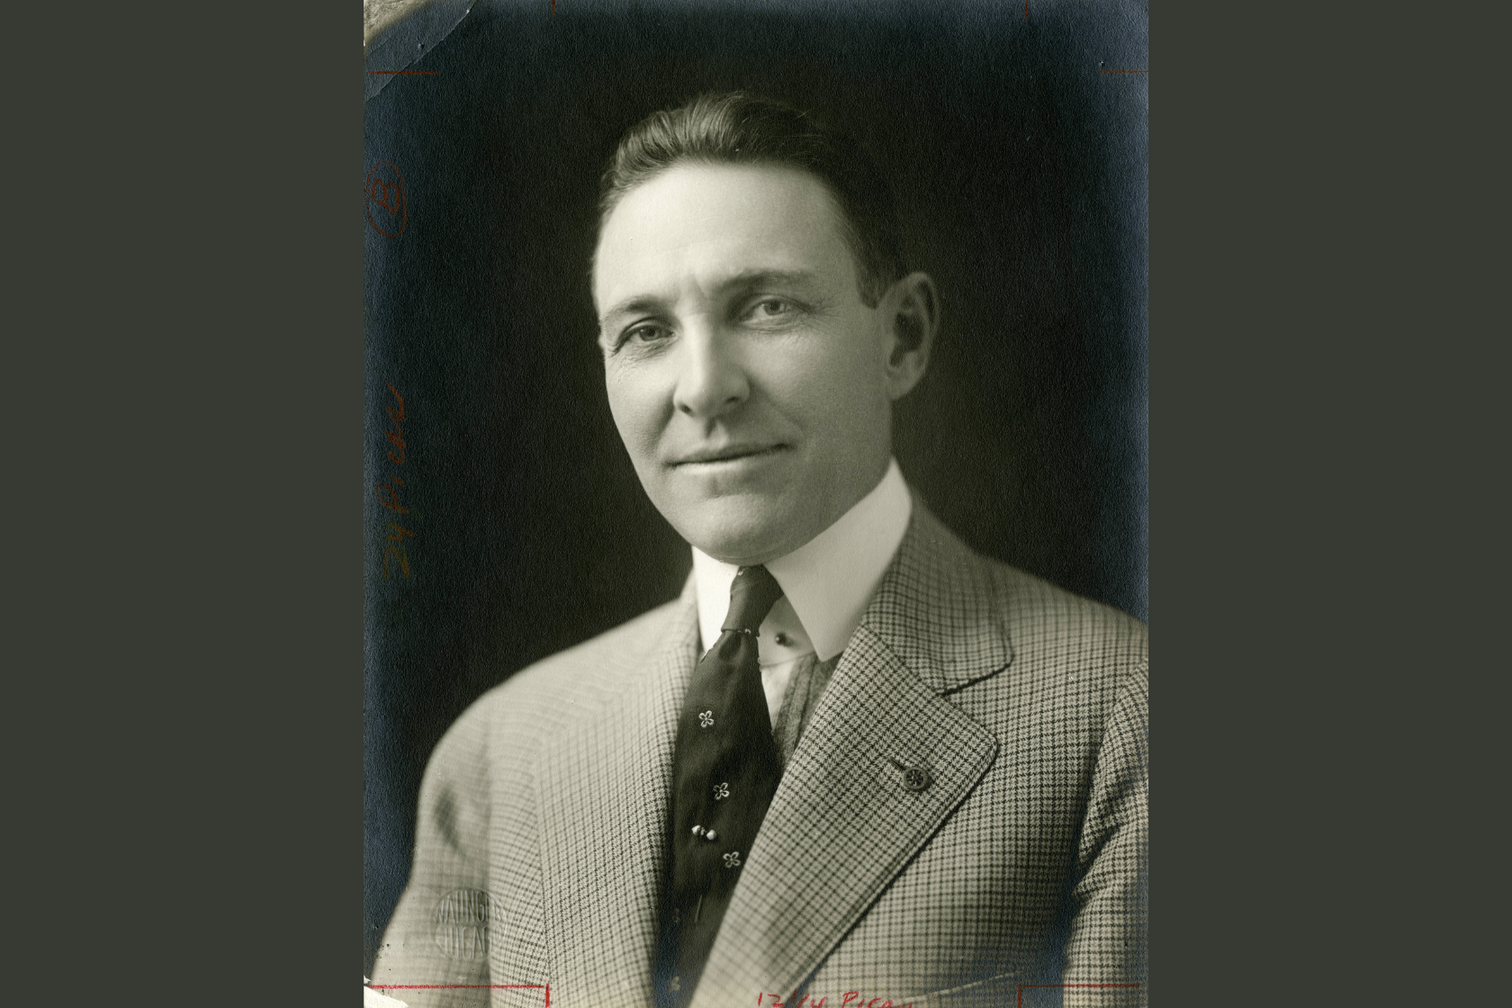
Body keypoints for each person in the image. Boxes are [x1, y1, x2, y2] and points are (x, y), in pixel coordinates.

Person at [370, 91, 1147, 1008]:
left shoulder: (1117, 716)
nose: (703, 389)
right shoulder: (500, 751)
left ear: (902, 338)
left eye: (767, 306)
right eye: (646, 332)